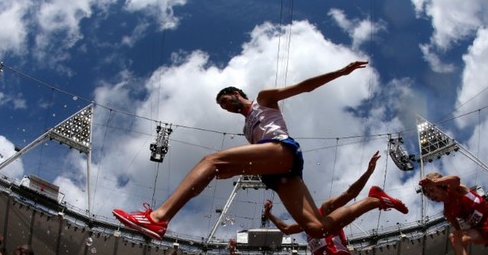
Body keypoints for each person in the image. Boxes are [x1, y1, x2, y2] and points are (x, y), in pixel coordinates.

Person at [113, 61, 407, 240]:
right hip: (275, 172)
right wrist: (231, 170)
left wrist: (340, 73)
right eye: (222, 107)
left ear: (237, 92)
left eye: (226, 100)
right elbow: (249, 159)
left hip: (282, 150)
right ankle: (374, 201)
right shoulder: (245, 130)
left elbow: (304, 87)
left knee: (210, 160)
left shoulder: (264, 100)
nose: (226, 106)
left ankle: (158, 219)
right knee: (317, 229)